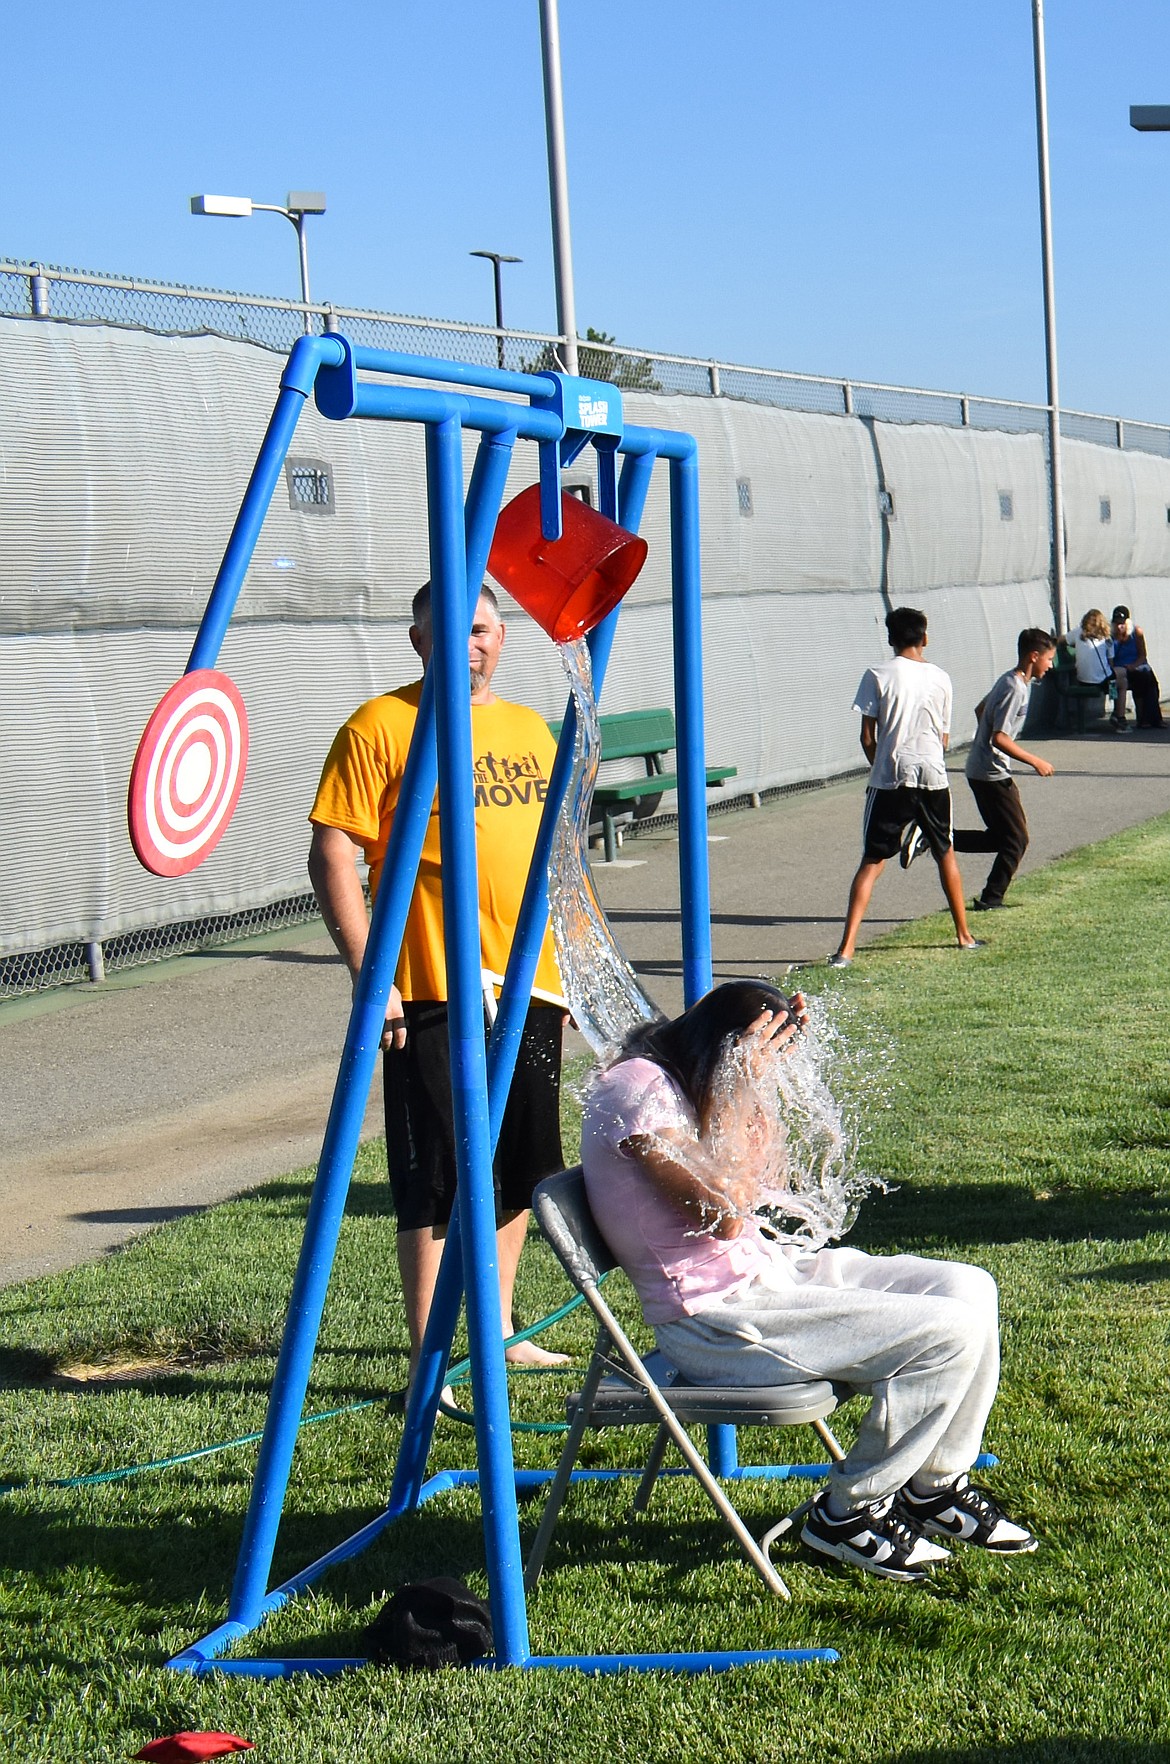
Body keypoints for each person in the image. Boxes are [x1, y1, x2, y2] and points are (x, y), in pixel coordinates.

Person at [581, 979, 1037, 1582]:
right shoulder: (635, 1090)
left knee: (969, 1287)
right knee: (948, 1332)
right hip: (714, 1322)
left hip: (767, 1278)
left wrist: (752, 1086)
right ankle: (844, 1515)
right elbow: (722, 1215)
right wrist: (739, 1087)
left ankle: (931, 1488)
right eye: (755, 1061)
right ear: (724, 1048)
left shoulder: (686, 1076)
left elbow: (769, 1178)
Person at [308, 581, 568, 1391]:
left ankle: (498, 1328)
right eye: (449, 631)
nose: (469, 644)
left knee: (520, 1160)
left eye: (483, 628)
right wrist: (369, 973)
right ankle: (432, 1347)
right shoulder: (382, 725)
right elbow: (332, 853)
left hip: (529, 981)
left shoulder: (531, 731)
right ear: (420, 641)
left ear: (503, 635)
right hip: (427, 982)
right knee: (437, 1170)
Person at [830, 606, 982, 968]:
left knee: (872, 860)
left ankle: (846, 950)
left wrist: (880, 765)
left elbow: (868, 735)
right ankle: (964, 936)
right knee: (946, 851)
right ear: (924, 638)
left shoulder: (877, 674)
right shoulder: (941, 677)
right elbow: (943, 738)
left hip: (891, 777)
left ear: (890, 639)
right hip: (933, 774)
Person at [951, 629, 1056, 912]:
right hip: (990, 774)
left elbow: (980, 709)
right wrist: (1035, 761)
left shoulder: (1009, 680)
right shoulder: (1015, 687)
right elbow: (999, 737)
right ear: (1034, 656)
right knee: (1016, 840)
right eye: (1048, 659)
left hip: (984, 769)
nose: (1050, 665)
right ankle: (991, 898)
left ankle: (939, 836)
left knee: (1001, 838)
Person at [1109, 605, 1163, 731]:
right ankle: (1144, 719)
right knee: (1143, 678)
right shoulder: (1110, 636)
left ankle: (1151, 719)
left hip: (1136, 666)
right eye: (1117, 623)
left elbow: (1142, 655)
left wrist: (1133, 666)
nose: (1119, 627)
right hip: (1120, 670)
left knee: (1148, 678)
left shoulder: (1136, 632)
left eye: (1122, 624)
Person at [1061, 608, 1114, 696]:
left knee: (1113, 678)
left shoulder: (1078, 632)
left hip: (1082, 680)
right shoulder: (1107, 638)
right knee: (1120, 680)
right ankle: (1115, 702)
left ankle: (1113, 701)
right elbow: (1111, 663)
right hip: (1101, 682)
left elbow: (1061, 640)